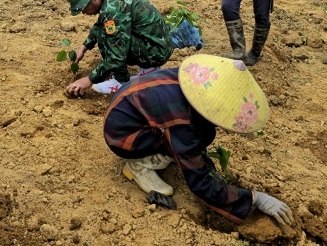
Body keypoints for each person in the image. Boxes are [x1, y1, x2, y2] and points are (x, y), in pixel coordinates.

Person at [103, 54, 293, 228]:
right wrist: (253, 198)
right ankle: (140, 164)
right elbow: (200, 182)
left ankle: (157, 149)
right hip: (121, 136)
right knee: (184, 145)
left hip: (127, 109)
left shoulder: (193, 79)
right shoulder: (182, 118)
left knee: (204, 133)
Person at [65, 0, 174, 96]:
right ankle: (149, 70)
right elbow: (99, 24)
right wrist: (84, 47)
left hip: (157, 52)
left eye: (83, 7)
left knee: (105, 35)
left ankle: (120, 81)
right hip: (158, 44)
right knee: (104, 29)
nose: (83, 12)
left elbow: (116, 57)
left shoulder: (112, 11)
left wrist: (88, 80)